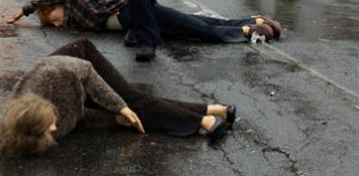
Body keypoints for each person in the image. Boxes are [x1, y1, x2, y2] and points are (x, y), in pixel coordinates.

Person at [0, 38, 235, 156]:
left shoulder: (50, 79)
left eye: (50, 121)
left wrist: (119, 107)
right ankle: (212, 110)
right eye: (48, 128)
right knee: (130, 114)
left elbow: (86, 72)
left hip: (80, 58)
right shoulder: (28, 129)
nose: (53, 127)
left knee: (132, 102)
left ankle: (202, 121)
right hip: (65, 87)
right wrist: (114, 119)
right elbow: (80, 117)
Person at [2, 0, 282, 43]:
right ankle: (252, 21)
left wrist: (25, 9)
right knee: (188, 24)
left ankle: (247, 31)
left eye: (50, 17)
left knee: (193, 27)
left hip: (132, 9)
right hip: (135, 21)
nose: (55, 24)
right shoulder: (77, 21)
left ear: (55, 5)